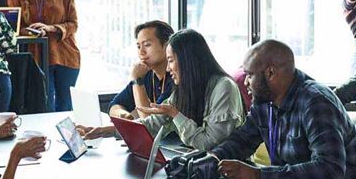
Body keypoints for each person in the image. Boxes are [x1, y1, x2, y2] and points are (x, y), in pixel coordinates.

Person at [208, 39, 356, 179]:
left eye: (249, 75)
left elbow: (330, 172)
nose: (245, 82)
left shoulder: (316, 102)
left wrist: (257, 175)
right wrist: (213, 157)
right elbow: (242, 140)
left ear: (271, 73)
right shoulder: (265, 101)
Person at [80, 29, 244, 151]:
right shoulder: (185, 89)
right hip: (200, 168)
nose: (168, 68)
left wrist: (175, 114)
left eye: (171, 61)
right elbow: (150, 126)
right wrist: (102, 131)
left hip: (226, 174)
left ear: (188, 61)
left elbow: (207, 145)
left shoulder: (223, 87)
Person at [7, 0, 81, 112]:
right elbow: (13, 25)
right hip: (37, 57)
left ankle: (64, 137)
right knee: (43, 105)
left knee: (65, 105)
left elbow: (74, 24)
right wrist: (31, 32)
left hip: (65, 55)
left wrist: (51, 28)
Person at [108, 20, 175, 119]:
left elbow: (150, 122)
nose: (141, 52)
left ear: (166, 46)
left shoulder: (176, 77)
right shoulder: (147, 74)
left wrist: (137, 81)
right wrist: (124, 115)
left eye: (147, 45)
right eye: (138, 46)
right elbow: (114, 105)